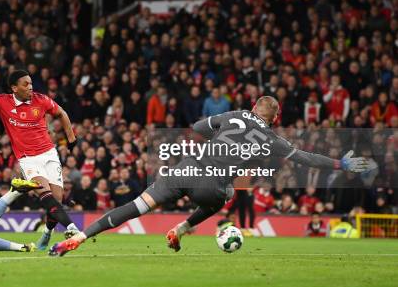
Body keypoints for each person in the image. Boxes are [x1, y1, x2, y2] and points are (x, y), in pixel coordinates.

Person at [49, 96, 371, 256]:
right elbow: (305, 158)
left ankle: (79, 237)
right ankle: (183, 227)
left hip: (184, 169)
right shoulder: (275, 140)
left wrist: (221, 133)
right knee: (228, 194)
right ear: (276, 117)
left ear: (253, 107)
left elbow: (201, 128)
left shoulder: (236, 115)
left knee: (137, 205)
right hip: (211, 185)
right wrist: (340, 165)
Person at [0, 69, 80, 250]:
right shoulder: (3, 102)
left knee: (57, 200)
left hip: (49, 154)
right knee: (46, 194)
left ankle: (47, 233)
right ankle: (72, 228)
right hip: (28, 159)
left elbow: (62, 113)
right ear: (14, 88)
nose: (30, 87)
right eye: (25, 84)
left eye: (31, 83)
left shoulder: (41, 100)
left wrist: (71, 138)